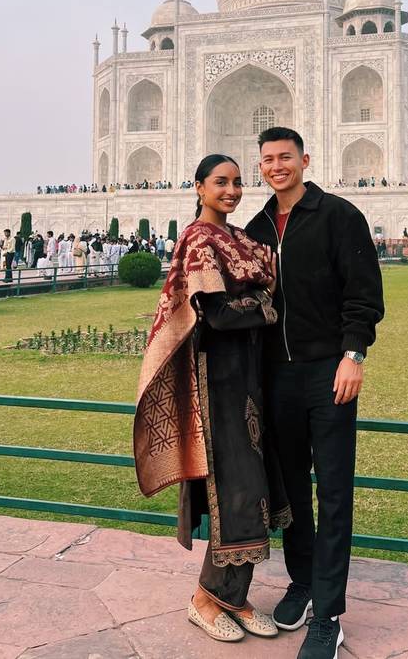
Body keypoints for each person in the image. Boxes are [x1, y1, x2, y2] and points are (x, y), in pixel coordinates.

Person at [134, 154, 287, 644]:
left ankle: (233, 599)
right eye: (221, 182)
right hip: (218, 381)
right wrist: (266, 306)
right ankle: (206, 599)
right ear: (199, 187)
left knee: (257, 490)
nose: (232, 190)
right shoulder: (199, 239)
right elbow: (217, 314)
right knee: (237, 489)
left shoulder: (238, 238)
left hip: (249, 376)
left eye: (238, 182)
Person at [246, 127, 384, 659]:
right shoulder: (257, 227)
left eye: (285, 157)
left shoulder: (338, 216)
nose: (277, 166)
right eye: (268, 160)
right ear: (260, 167)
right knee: (290, 492)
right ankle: (302, 583)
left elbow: (364, 294)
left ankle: (327, 613)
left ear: (304, 159)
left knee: (333, 491)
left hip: (328, 372)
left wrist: (354, 354)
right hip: (277, 376)